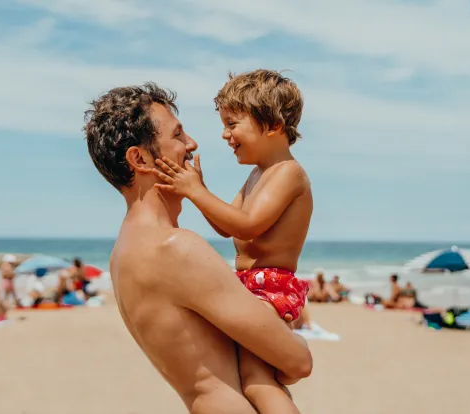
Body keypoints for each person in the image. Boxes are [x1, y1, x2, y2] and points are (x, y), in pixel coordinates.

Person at [84, 82, 313, 414]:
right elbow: (298, 362)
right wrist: (300, 342)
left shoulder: (123, 253)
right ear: (140, 157)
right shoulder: (175, 248)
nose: (192, 144)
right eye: (178, 136)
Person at [152, 69, 312, 413]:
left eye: (233, 123)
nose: (225, 134)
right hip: (249, 288)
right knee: (254, 378)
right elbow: (228, 227)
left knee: (257, 381)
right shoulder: (257, 175)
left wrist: (194, 192)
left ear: (272, 125)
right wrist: (200, 191)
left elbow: (249, 225)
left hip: (270, 289)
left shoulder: (289, 173)